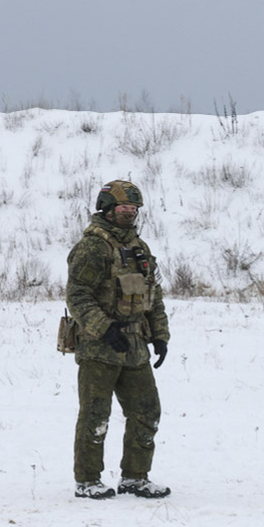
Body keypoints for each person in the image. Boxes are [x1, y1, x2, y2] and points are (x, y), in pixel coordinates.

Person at [66, 180, 171, 499]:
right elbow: (78, 295)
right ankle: (87, 480)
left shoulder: (140, 247)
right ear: (108, 209)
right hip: (99, 348)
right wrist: (104, 329)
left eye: (134, 208)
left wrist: (161, 335)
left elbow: (153, 294)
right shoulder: (93, 246)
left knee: (147, 411)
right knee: (95, 414)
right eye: (124, 207)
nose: (130, 212)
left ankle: (135, 477)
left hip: (135, 348)